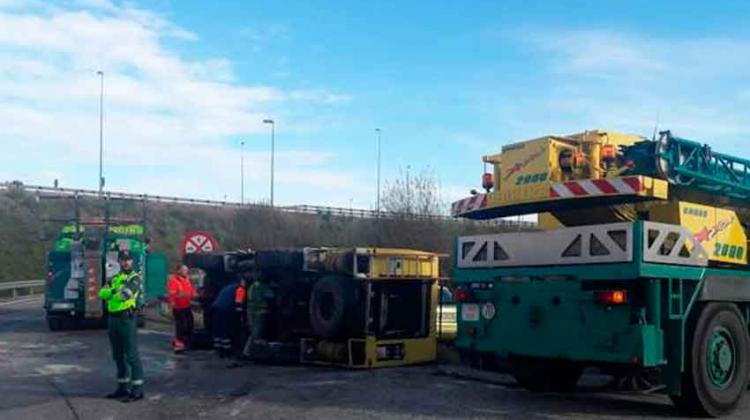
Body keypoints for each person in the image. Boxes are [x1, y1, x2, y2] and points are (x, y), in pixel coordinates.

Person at [98, 250, 144, 402]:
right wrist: (113, 291)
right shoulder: (115, 278)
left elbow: (126, 294)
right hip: (113, 319)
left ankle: (137, 390)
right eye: (123, 260)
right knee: (117, 355)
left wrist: (112, 293)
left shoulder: (135, 278)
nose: (126, 262)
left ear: (132, 261)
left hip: (126, 318)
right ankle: (122, 388)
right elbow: (101, 294)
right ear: (119, 262)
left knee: (131, 355)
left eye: (128, 260)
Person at [166, 264, 196, 353]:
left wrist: (194, 295)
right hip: (178, 307)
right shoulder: (174, 281)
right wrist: (172, 306)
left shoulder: (186, 280)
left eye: (186, 270)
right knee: (181, 327)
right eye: (184, 270)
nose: (186, 272)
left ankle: (186, 343)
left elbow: (190, 291)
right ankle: (179, 346)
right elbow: (172, 295)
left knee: (189, 324)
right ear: (178, 271)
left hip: (186, 306)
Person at [211, 281, 238, 358]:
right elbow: (238, 303)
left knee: (218, 329)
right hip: (226, 309)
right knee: (225, 329)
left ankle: (219, 350)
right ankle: (227, 351)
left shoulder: (227, 287)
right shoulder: (239, 289)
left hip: (216, 307)